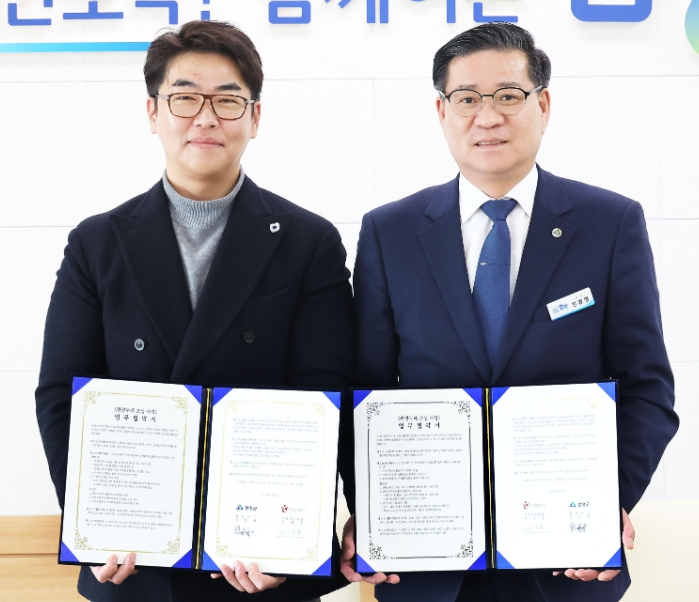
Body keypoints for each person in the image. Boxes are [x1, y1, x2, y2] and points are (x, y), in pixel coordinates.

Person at [341, 22, 678, 602]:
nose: (488, 117)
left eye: (508, 96)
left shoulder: (610, 223)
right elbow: (363, 393)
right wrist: (371, 511)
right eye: (467, 99)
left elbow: (647, 388)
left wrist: (606, 503)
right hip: (427, 567)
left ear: (542, 105)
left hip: (566, 567)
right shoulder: (389, 232)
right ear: (442, 112)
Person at [35, 19, 354, 602]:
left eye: (228, 100)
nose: (206, 118)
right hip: (133, 562)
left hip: (261, 565)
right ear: (153, 113)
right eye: (184, 98)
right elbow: (61, 394)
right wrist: (95, 524)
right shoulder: (98, 243)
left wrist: (292, 540)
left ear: (255, 118)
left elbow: (326, 396)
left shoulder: (308, 242)